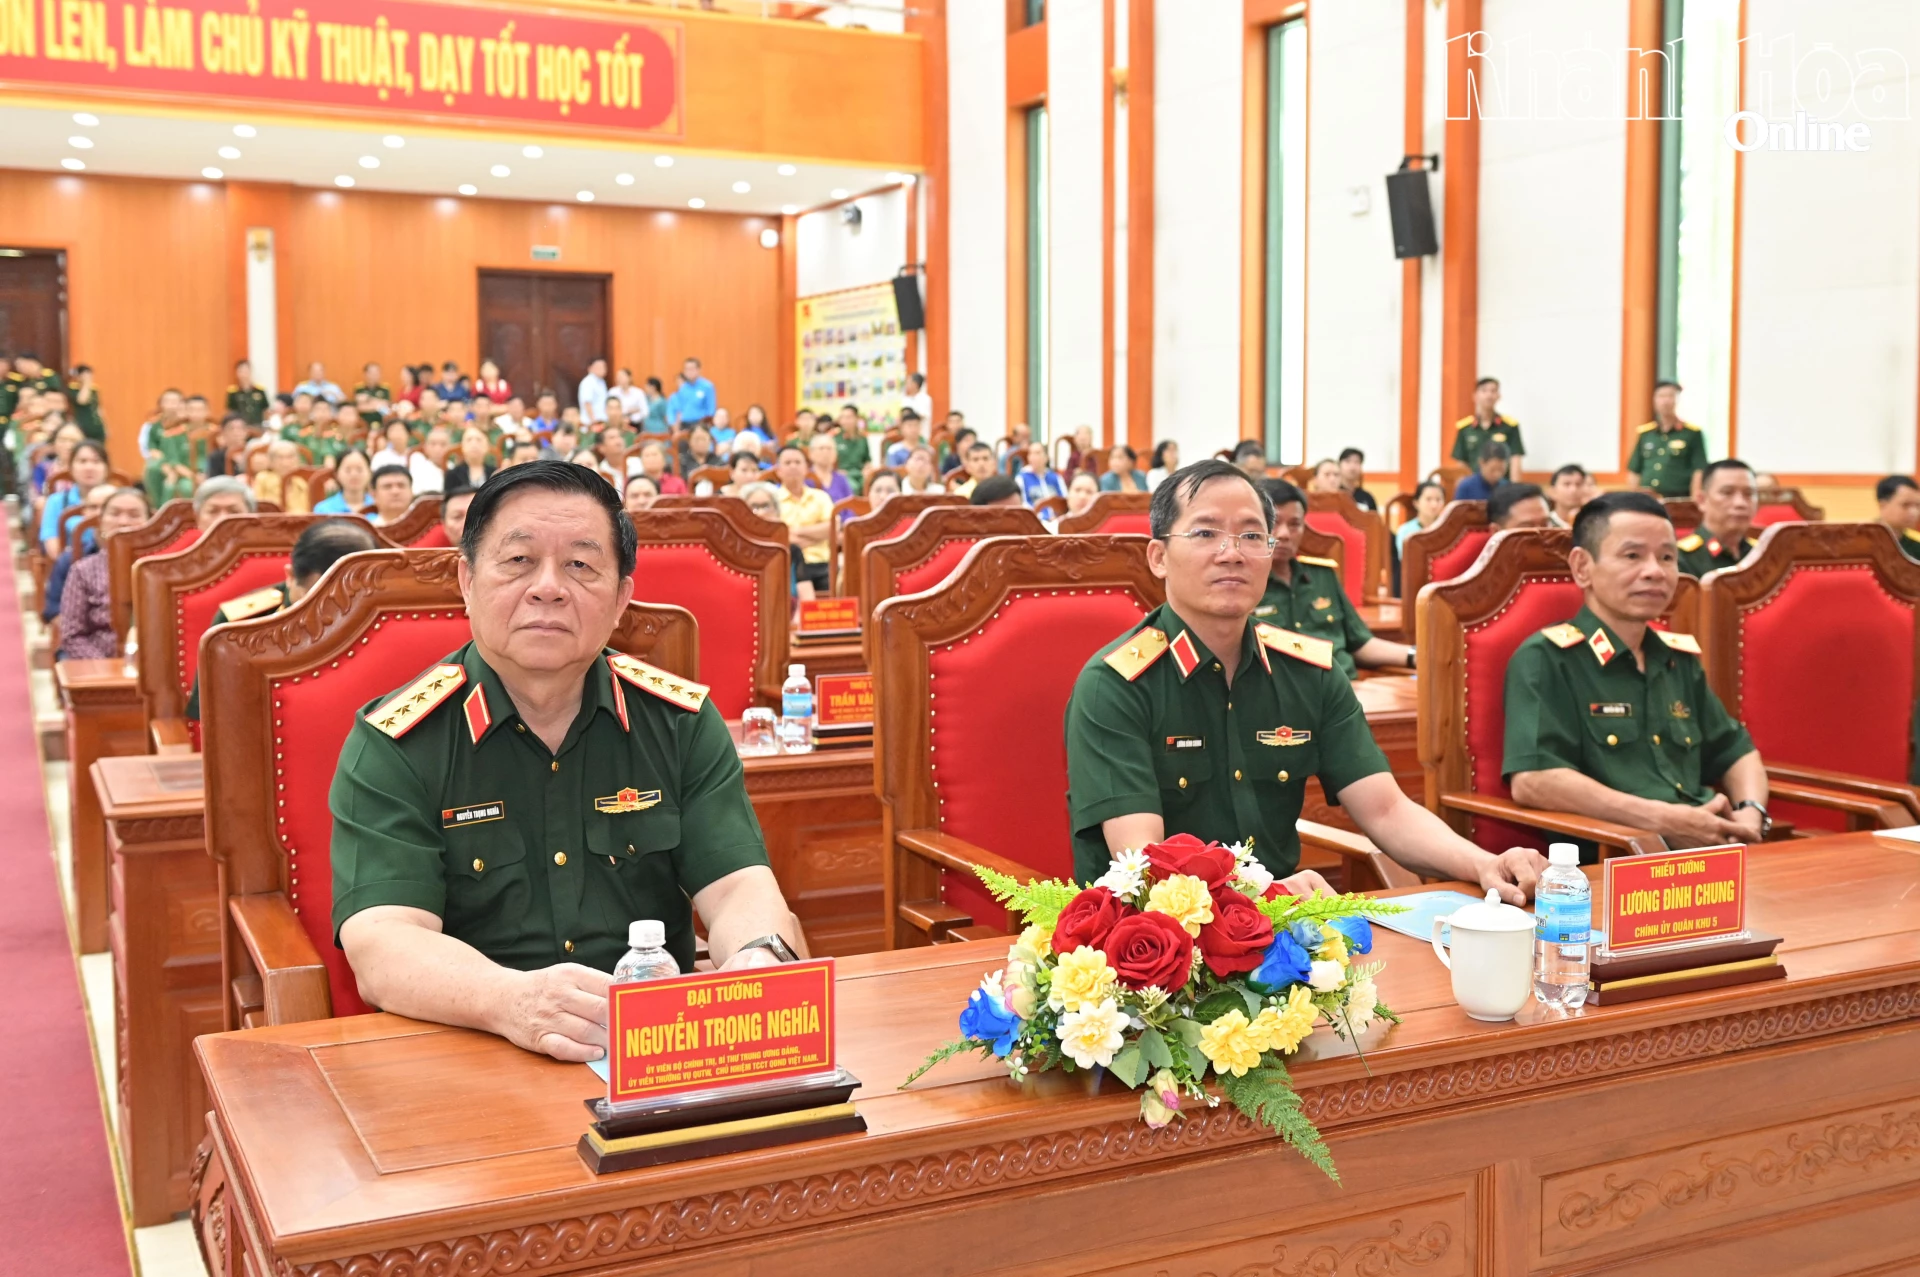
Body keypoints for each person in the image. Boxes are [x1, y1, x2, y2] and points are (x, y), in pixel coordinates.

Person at [330, 462, 806, 1061]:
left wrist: (759, 957)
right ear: (466, 580)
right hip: (465, 1050)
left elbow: (738, 887)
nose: (549, 588)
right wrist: (510, 1000)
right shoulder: (398, 740)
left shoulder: (678, 722)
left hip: (650, 1054)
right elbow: (381, 941)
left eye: (581, 565)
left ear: (621, 599)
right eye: (518, 560)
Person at [1064, 459, 1545, 898]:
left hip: (1289, 936)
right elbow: (1146, 865)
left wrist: (1483, 863)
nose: (1232, 553)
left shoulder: (1308, 673)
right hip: (1156, 943)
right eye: (1206, 533)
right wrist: (1265, 895)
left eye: (1252, 536)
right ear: (1159, 557)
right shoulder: (1116, 685)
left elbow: (1387, 810)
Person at [1504, 491, 1770, 852]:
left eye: (1667, 557)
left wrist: (1751, 813)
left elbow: (1735, 749)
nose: (1654, 571)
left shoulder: (1677, 658)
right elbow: (1534, 780)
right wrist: (1662, 821)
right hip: (1615, 861)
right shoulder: (1547, 658)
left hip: (1711, 848)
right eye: (1632, 556)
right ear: (1582, 567)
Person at [186, 519, 385, 720]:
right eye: (320, 600)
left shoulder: (391, 619)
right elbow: (212, 719)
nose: (337, 614)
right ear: (290, 576)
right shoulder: (240, 625)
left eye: (353, 598)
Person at [1254, 479, 1414, 680]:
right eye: (1274, 523)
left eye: (1294, 524)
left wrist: (1415, 656)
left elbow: (1361, 642)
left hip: (1347, 685)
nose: (1284, 534)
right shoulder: (1245, 585)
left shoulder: (1322, 575)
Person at [58, 487, 152, 659]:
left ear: (150, 523)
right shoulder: (83, 570)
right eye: (115, 514)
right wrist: (106, 667)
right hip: (99, 663)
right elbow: (72, 635)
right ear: (101, 522)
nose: (123, 522)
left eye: (134, 515)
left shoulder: (164, 567)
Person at [1676, 459, 1759, 577]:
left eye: (1749, 493)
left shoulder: (1761, 553)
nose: (1740, 503)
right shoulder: (1682, 558)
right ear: (1702, 500)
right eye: (1727, 493)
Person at [1628, 380, 1709, 499]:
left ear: (1678, 400)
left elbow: (1699, 470)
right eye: (1661, 396)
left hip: (1678, 498)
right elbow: (1635, 469)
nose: (1665, 401)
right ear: (1654, 400)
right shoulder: (1645, 434)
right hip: (1648, 498)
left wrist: (1693, 500)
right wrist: (1633, 498)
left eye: (1670, 396)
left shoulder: (1691, 433)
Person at [773, 444, 834, 593]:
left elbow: (832, 528)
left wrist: (795, 531)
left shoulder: (821, 497)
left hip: (822, 564)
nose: (793, 466)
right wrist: (816, 537)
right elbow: (777, 536)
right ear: (778, 470)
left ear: (806, 468)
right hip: (787, 565)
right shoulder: (772, 499)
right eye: (788, 463)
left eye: (798, 462)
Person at [40, 440, 111, 555]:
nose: (89, 467)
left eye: (96, 461)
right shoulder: (57, 501)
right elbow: (53, 549)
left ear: (107, 468)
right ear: (71, 468)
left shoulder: (119, 499)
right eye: (82, 461)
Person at [1452, 376, 1525, 478]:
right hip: (1474, 484)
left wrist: (1514, 487)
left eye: (1493, 391)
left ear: (1498, 396)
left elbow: (1515, 460)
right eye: (1484, 390)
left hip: (1502, 484)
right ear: (1475, 396)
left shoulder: (1510, 426)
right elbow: (1461, 464)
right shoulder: (1465, 428)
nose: (1489, 395)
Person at [315, 449, 375, 516]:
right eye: (348, 470)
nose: (354, 474)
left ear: (370, 473)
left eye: (359, 469)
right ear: (336, 474)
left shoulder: (378, 507)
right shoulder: (323, 510)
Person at [1395, 481, 1447, 555]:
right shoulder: (1405, 531)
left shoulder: (1448, 529)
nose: (1434, 505)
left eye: (1438, 500)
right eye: (1428, 499)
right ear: (1416, 503)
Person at [1876, 475, 1920, 562]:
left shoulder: (1917, 544)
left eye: (1917, 506)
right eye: (1906, 505)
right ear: (1883, 505)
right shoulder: (1861, 540)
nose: (1914, 512)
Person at [666, 356, 717, 427]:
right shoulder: (683, 387)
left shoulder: (707, 386)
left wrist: (706, 422)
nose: (689, 372)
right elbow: (677, 409)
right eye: (686, 369)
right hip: (684, 424)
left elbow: (711, 409)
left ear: (698, 370)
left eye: (691, 369)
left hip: (701, 424)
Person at [1015, 442, 1066, 510]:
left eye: (1037, 453)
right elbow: (1023, 504)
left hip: (1057, 515)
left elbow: (1064, 500)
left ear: (1046, 457)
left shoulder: (1056, 478)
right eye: (1030, 453)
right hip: (1034, 515)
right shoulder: (1021, 478)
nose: (1033, 457)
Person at [446, 427, 496, 494]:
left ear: (487, 446)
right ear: (462, 446)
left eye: (479, 440)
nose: (474, 444)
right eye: (469, 440)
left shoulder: (495, 473)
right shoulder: (452, 474)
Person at [806, 434, 852, 503]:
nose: (825, 452)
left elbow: (851, 505)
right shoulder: (806, 478)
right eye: (821, 448)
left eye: (829, 448)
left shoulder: (841, 479)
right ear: (811, 453)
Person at [227, 360, 269, 426]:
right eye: (241, 371)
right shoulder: (233, 392)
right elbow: (230, 411)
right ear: (237, 373)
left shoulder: (259, 391)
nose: (244, 375)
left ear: (250, 372)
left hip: (257, 426)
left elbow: (265, 410)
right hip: (240, 427)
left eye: (246, 371)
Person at [574, 356, 609, 426]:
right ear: (590, 368)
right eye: (599, 367)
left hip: (602, 420)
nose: (602, 369)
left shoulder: (602, 382)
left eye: (604, 367)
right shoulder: (588, 382)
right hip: (591, 422)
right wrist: (594, 421)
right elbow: (587, 402)